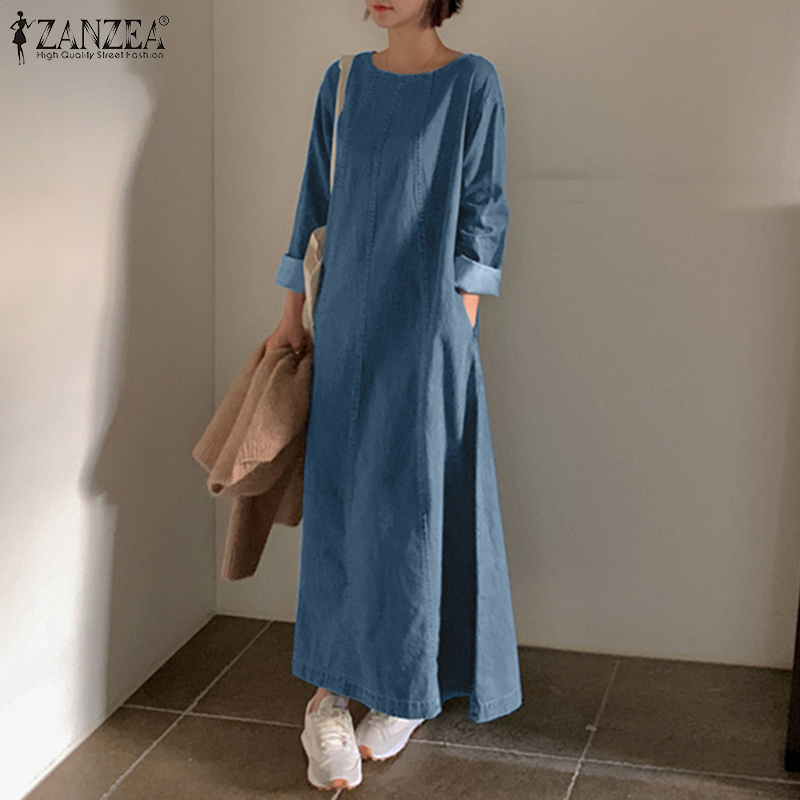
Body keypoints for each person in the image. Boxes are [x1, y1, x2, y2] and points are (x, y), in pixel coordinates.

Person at [265, 0, 523, 790]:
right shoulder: (343, 81)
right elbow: (314, 202)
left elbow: (483, 207)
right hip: (345, 327)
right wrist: (290, 315)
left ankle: (406, 690)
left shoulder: (472, 83)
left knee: (414, 508)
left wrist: (457, 324)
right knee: (342, 506)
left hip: (428, 330)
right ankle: (327, 696)